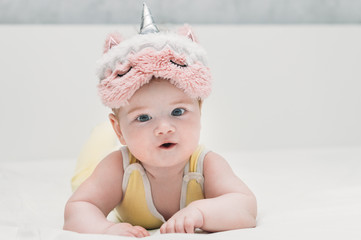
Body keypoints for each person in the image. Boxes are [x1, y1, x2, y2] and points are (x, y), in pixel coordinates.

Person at [63, 3, 257, 238]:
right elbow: (78, 208)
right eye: (143, 117)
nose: (164, 129)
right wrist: (106, 228)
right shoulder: (119, 168)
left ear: (199, 111)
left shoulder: (205, 165)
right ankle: (104, 132)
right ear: (120, 130)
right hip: (107, 155)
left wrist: (200, 212)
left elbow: (245, 207)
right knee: (86, 171)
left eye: (178, 112)